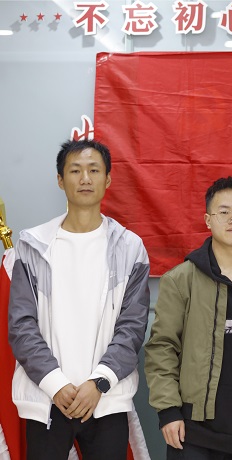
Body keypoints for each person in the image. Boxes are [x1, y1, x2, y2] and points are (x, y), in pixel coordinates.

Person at [8, 139, 150, 460]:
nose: (85, 178)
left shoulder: (130, 248)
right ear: (60, 180)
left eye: (94, 170)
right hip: (46, 399)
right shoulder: (33, 245)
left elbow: (132, 328)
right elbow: (21, 325)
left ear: (107, 179)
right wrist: (56, 384)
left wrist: (98, 382)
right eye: (75, 171)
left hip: (106, 399)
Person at [145, 176, 232, 460]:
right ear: (208, 220)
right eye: (224, 212)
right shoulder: (180, 280)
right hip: (192, 432)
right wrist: (168, 411)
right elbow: (162, 348)